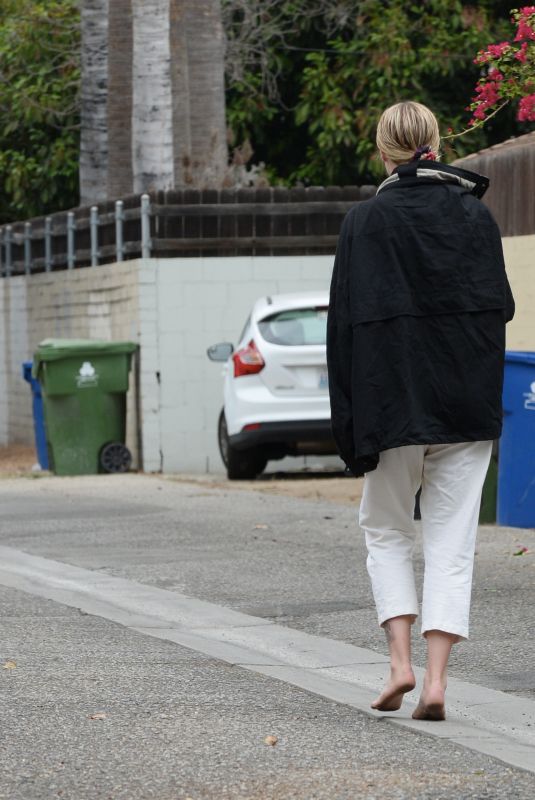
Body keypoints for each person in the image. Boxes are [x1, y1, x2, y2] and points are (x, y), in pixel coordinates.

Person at [327, 101, 515, 721]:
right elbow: (498, 312)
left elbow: (343, 331)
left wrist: (349, 425)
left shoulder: (364, 222)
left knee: (385, 529)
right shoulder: (474, 216)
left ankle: (399, 664)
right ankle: (436, 681)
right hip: (466, 400)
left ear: (384, 152)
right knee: (452, 540)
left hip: (389, 401)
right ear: (435, 144)